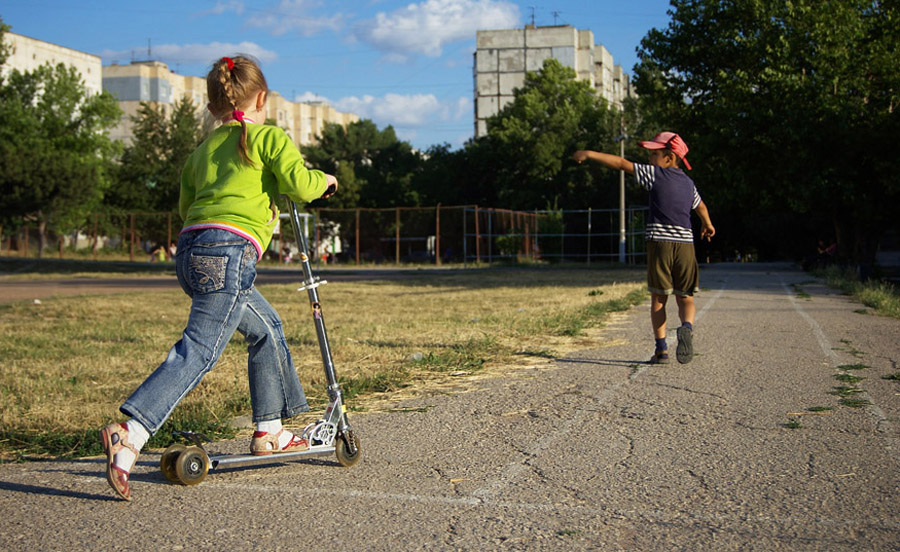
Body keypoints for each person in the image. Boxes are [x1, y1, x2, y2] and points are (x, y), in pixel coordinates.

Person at [100, 55, 338, 501]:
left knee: (267, 330)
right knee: (200, 350)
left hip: (191, 253)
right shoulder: (267, 137)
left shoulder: (200, 152)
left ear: (213, 109)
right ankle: (130, 432)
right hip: (228, 255)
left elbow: (186, 207)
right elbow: (301, 185)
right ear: (262, 98)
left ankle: (269, 432)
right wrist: (324, 180)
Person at [573, 131, 715, 365]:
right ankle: (687, 328)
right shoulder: (689, 184)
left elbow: (621, 163)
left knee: (659, 299)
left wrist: (589, 153)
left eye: (654, 154)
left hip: (660, 244)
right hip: (686, 246)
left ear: (669, 158)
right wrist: (707, 225)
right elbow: (701, 207)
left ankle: (661, 350)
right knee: (686, 298)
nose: (649, 159)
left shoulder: (655, 174)